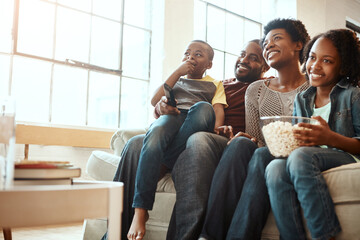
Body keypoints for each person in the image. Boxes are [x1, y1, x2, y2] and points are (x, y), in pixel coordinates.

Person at [101, 39, 269, 240]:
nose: (243, 60)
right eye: (242, 54)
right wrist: (161, 107)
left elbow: (250, 128)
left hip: (219, 140)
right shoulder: (218, 84)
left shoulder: (265, 88)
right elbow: (173, 103)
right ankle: (114, 235)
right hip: (182, 133)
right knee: (135, 144)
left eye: (253, 58)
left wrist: (226, 132)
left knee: (198, 140)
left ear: (265, 65)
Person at [199, 18, 310, 240]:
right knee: (241, 143)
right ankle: (208, 236)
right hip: (263, 151)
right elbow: (257, 139)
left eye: (276, 38)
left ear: (298, 45)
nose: (268, 45)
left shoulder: (313, 86)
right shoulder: (256, 90)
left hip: (296, 153)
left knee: (260, 153)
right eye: (266, 42)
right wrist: (244, 138)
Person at [265, 29, 360, 240]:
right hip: (310, 157)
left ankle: (323, 236)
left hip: (346, 155)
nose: (315, 66)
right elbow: (299, 143)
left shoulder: (353, 95)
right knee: (274, 168)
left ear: (343, 65)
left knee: (300, 157)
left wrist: (329, 138)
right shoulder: (302, 98)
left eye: (326, 60)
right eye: (312, 57)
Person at [128, 40, 227, 240]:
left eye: (198, 54)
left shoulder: (215, 84)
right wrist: (176, 73)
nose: (191, 57)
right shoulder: (176, 80)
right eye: (187, 53)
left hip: (197, 120)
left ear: (209, 64)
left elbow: (217, 109)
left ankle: (163, 163)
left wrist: (218, 128)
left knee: (203, 108)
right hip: (173, 118)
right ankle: (140, 210)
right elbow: (155, 100)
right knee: (156, 130)